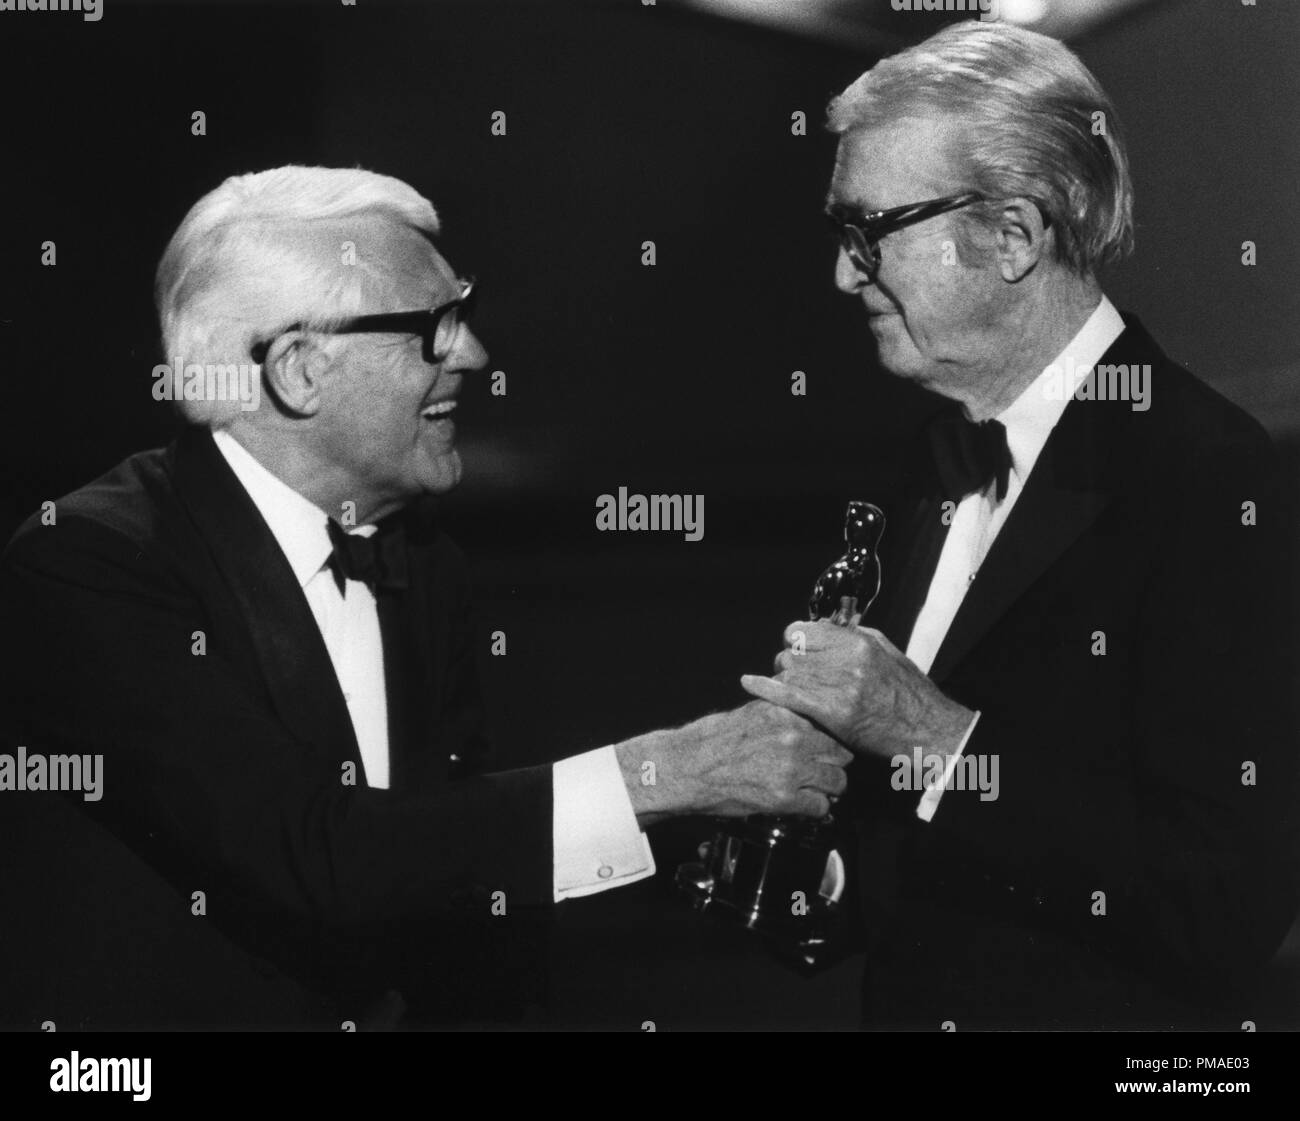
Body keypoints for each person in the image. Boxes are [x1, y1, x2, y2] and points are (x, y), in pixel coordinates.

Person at [0, 166, 850, 1029]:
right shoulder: (87, 563)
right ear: (298, 371)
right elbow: (315, 854)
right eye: (436, 327)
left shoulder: (424, 561)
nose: (473, 355)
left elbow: (454, 854)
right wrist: (670, 772)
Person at [741, 21, 1298, 1030]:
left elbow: (1224, 900)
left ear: (1014, 237)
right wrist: (804, 858)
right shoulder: (931, 454)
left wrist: (933, 738)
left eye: (870, 231)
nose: (841, 274)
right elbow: (931, 863)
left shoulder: (1204, 473)